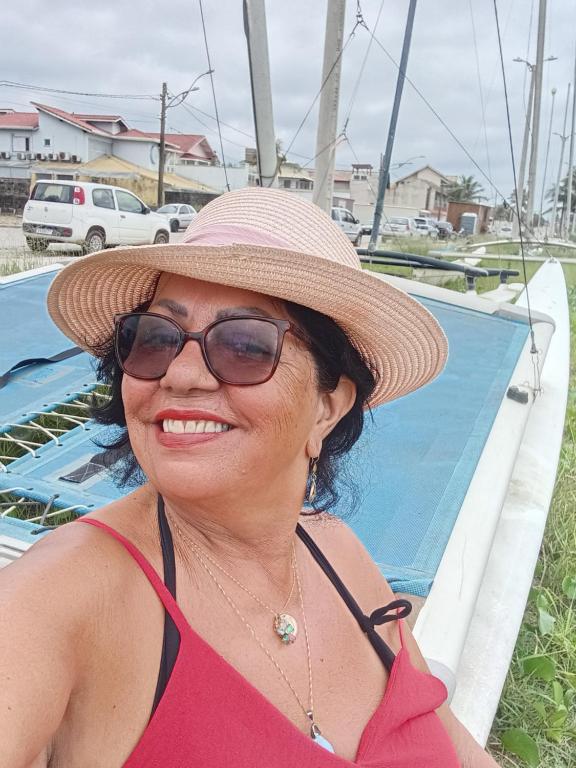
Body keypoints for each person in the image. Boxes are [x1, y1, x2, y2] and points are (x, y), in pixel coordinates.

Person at [0, 188, 501, 767]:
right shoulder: (61, 596)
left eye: (243, 345)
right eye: (156, 338)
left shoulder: (335, 550)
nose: (182, 375)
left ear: (327, 408)